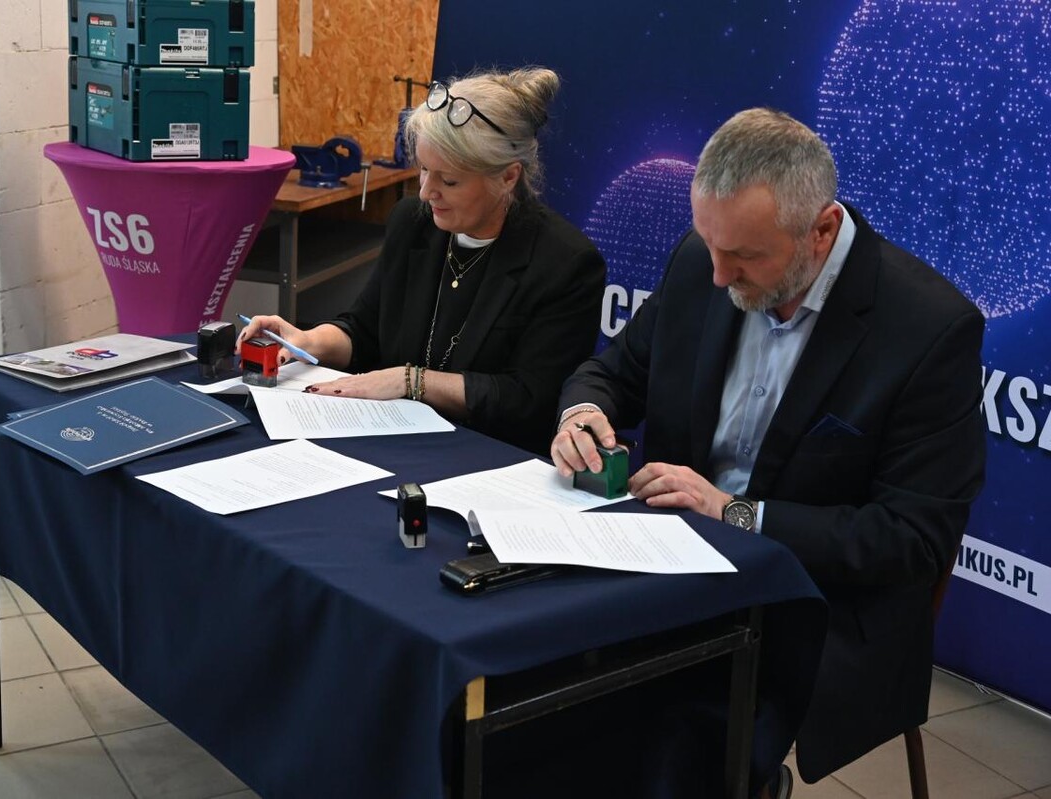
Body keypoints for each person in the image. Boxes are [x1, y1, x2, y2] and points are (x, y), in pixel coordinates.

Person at [551, 108, 986, 794]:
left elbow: (911, 538)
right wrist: (583, 414)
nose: (718, 276)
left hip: (806, 604)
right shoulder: (706, 260)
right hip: (667, 566)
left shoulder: (929, 330)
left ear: (822, 230)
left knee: (666, 734)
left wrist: (734, 512)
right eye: (710, 244)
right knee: (533, 681)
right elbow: (613, 373)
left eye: (746, 258)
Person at [237, 67, 606, 453]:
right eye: (424, 170)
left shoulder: (565, 263)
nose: (428, 192)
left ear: (508, 177)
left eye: (449, 181)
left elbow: (529, 400)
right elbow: (364, 331)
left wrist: (411, 381)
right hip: (395, 439)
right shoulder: (413, 222)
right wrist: (308, 340)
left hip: (490, 454)